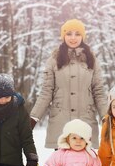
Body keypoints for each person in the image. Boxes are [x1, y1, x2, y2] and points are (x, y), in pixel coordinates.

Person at [29, 19, 107, 149]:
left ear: (82, 36)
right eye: (69, 33)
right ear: (63, 36)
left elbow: (98, 91)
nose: (73, 38)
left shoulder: (91, 60)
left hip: (85, 122)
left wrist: (105, 116)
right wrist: (33, 118)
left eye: (77, 34)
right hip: (61, 124)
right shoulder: (54, 59)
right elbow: (46, 92)